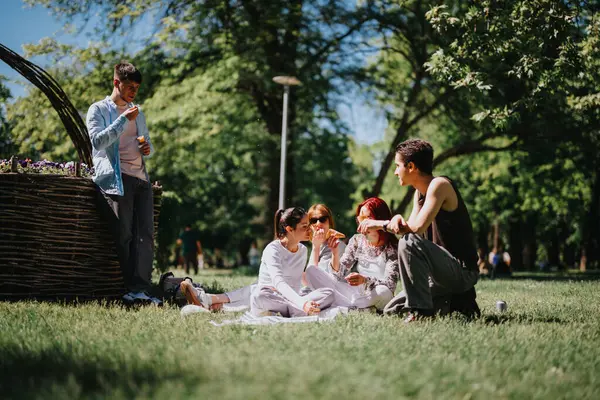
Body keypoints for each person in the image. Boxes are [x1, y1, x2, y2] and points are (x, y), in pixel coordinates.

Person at [358, 139, 480, 321]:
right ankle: (457, 304)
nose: (395, 172)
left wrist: (380, 223)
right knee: (392, 310)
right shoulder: (419, 193)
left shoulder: (440, 185)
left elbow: (415, 230)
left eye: (398, 166)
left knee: (408, 243)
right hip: (438, 274)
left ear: (411, 166)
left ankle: (421, 313)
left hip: (461, 272)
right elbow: (410, 229)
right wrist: (397, 219)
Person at [87, 62, 160, 305]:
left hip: (141, 179)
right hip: (117, 179)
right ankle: (129, 288)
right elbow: (97, 142)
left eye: (137, 88)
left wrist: (146, 147)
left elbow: (144, 141)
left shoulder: (138, 111)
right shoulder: (97, 109)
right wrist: (122, 120)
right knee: (125, 235)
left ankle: (141, 288)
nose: (133, 92)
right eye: (129, 87)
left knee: (146, 236)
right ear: (116, 82)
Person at [181, 203, 346, 311]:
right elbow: (279, 283)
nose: (310, 229)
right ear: (289, 229)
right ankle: (210, 302)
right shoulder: (272, 249)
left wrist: (317, 248)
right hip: (273, 295)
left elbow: (310, 277)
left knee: (328, 293)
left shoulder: (303, 250)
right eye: (305, 226)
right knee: (259, 293)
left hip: (289, 298)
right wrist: (303, 303)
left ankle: (209, 301)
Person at [304, 198, 398, 311]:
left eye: (367, 219)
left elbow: (390, 284)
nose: (363, 223)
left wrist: (365, 280)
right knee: (311, 271)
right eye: (360, 219)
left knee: (382, 291)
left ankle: (344, 305)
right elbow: (337, 276)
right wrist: (334, 253)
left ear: (379, 219)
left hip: (378, 293)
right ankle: (354, 307)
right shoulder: (356, 241)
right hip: (356, 293)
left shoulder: (392, 246)